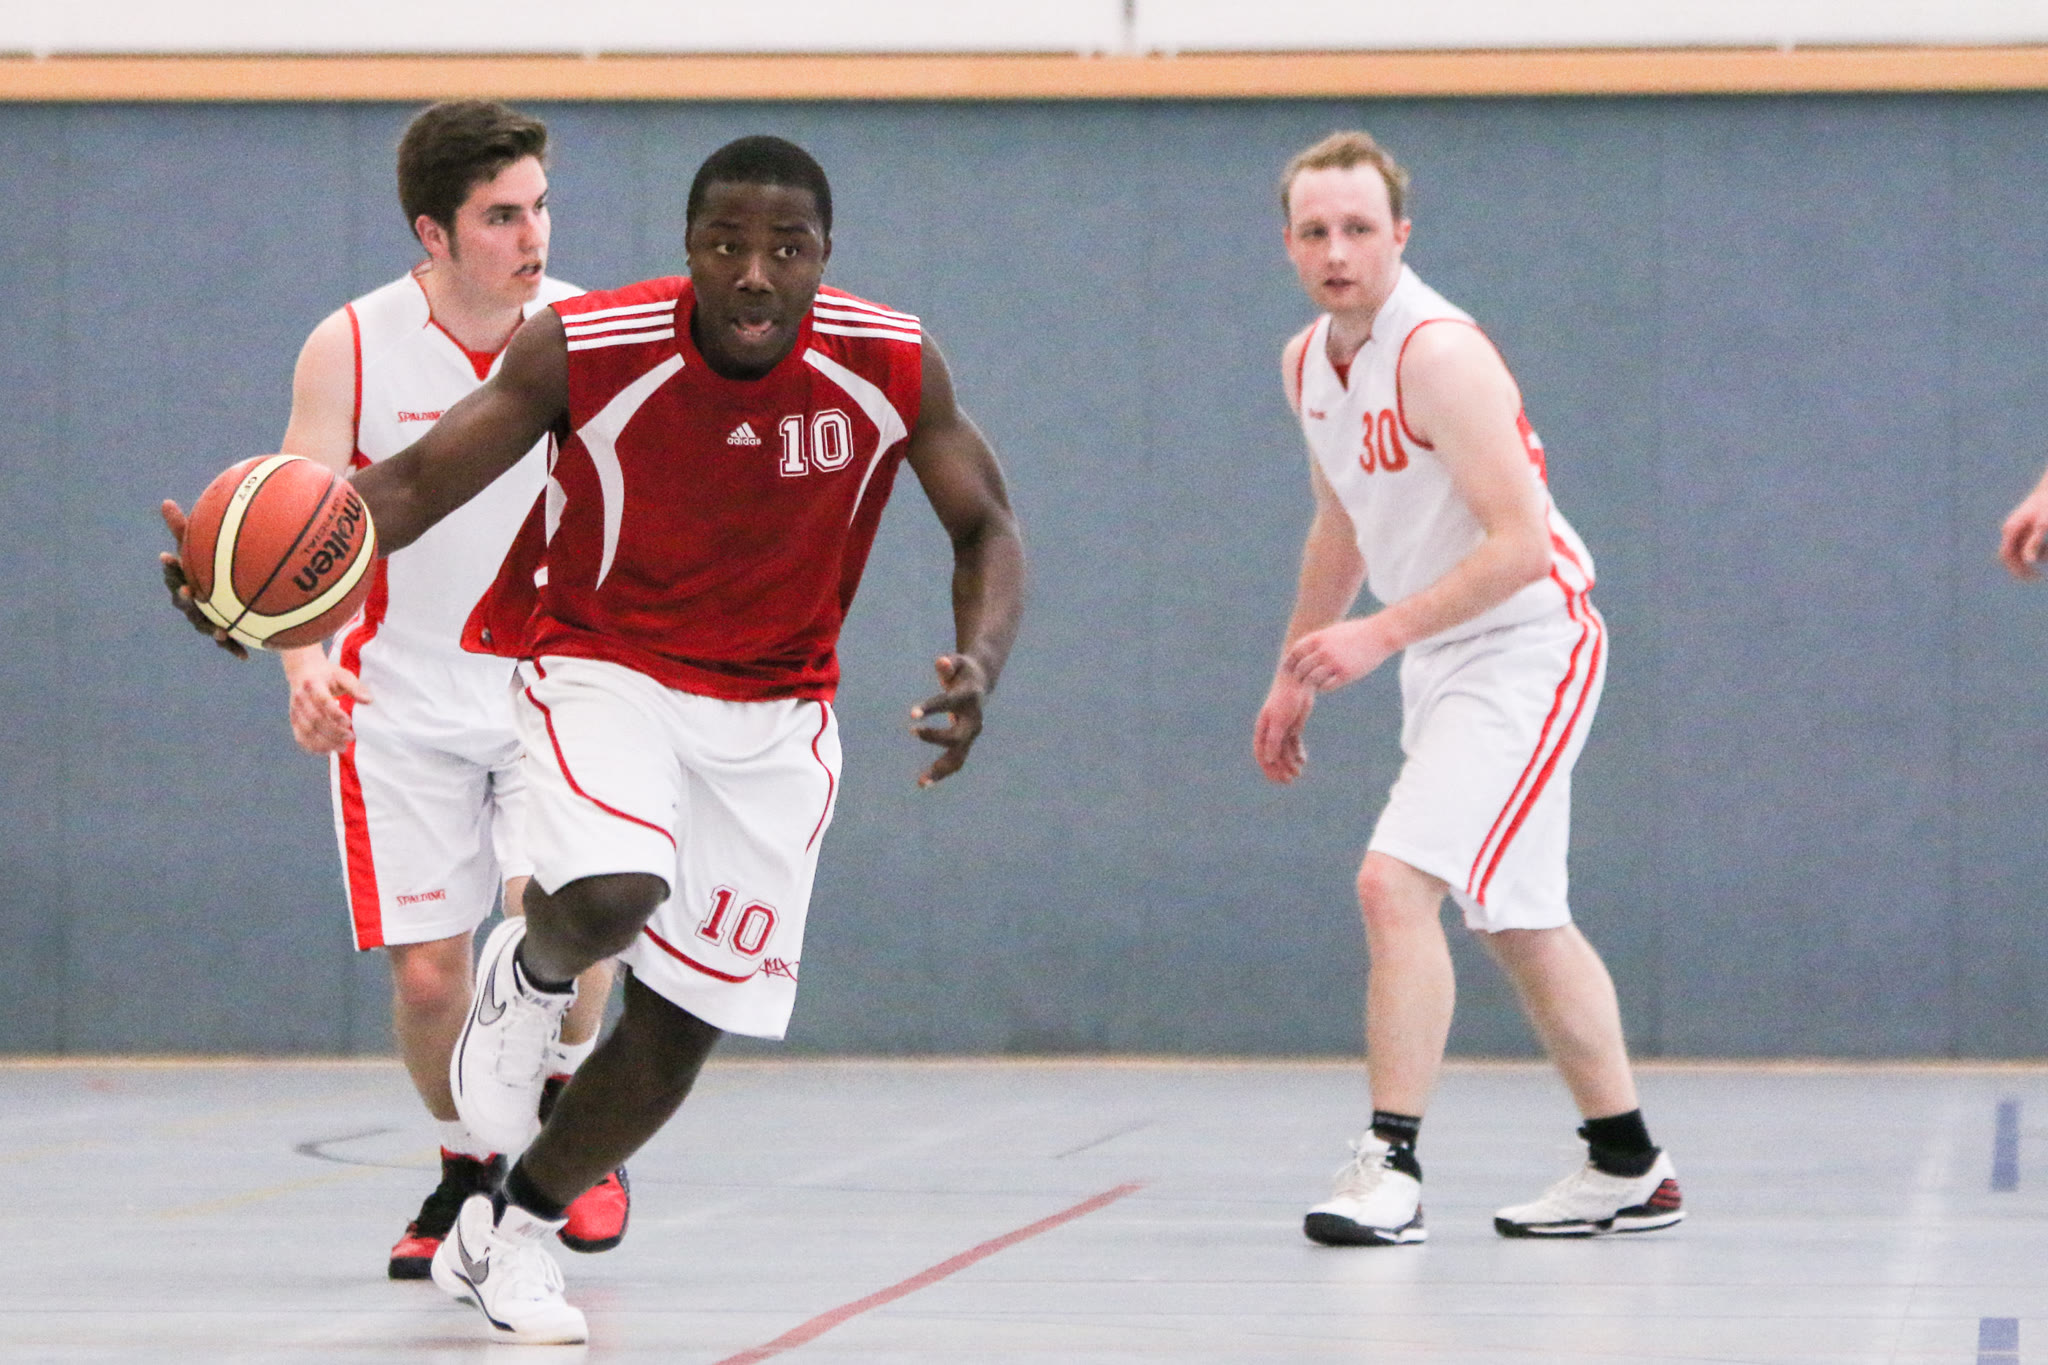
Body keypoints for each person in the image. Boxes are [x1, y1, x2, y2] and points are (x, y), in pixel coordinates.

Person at [162, 134, 1024, 1344]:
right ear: (688, 250)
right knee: (616, 893)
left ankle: (510, 1234)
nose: (755, 272)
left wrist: (979, 663)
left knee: (677, 1033)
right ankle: (532, 972)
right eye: (726, 244)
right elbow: (413, 483)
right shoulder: (591, 346)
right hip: (603, 667)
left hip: (778, 713)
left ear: (825, 257)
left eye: (786, 248)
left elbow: (986, 526)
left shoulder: (889, 361)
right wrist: (249, 595)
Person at [1253, 131, 1682, 1247]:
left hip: (1530, 642)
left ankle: (1389, 1166)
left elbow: (1522, 546)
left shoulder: (1439, 354)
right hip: (1444, 652)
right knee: (1521, 917)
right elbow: (1340, 521)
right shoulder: (1306, 363)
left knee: (1393, 884)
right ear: (1287, 244)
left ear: (1399, 234)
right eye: (1314, 231)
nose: (1336, 251)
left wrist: (1377, 634)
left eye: (1358, 228)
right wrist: (1297, 667)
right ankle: (1627, 1163)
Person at [264, 100, 625, 1278]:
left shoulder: (587, 332)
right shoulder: (349, 346)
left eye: (540, 208)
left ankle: (573, 1125)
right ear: (434, 232)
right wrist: (304, 666)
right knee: (429, 978)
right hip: (399, 700)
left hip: (552, 688)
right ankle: (465, 1169)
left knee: (554, 916)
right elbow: (298, 532)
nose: (533, 235)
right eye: (500, 216)